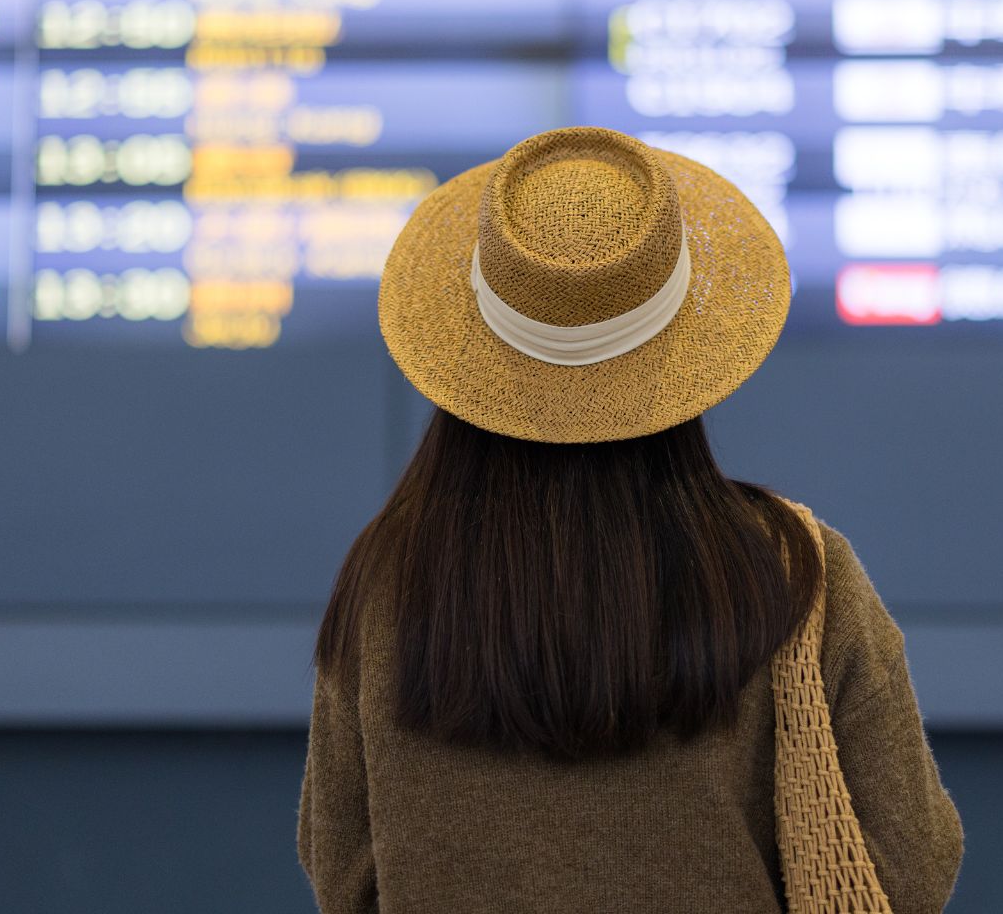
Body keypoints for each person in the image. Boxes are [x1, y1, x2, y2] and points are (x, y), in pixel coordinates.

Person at [299, 126, 964, 913]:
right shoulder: (795, 574)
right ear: (687, 344)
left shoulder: (388, 581)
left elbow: (341, 870)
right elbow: (908, 865)